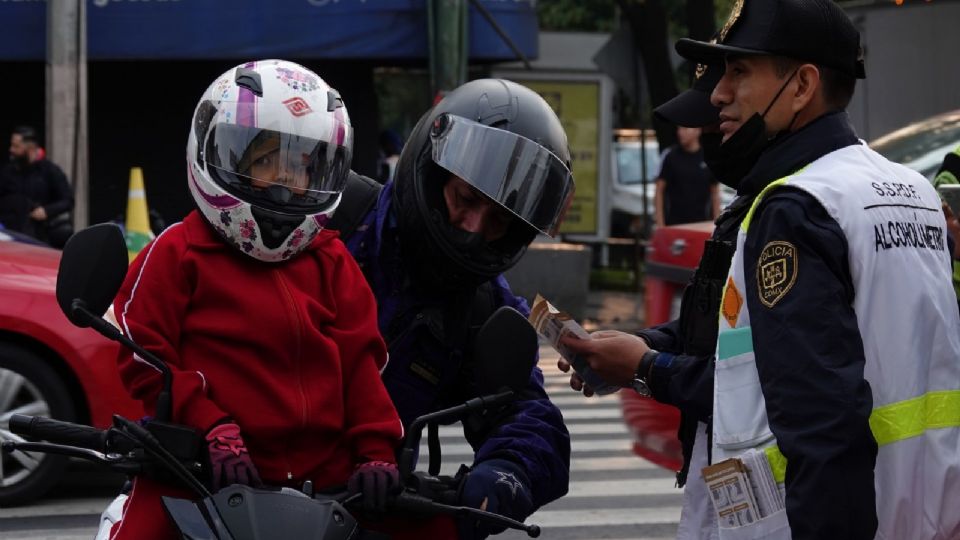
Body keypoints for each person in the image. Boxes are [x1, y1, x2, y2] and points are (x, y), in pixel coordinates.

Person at [561, 1, 960, 539]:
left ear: (801, 87)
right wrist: (645, 346)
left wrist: (647, 368)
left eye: (740, 71)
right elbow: (761, 339)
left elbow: (810, 415)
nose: (719, 94)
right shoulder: (911, 191)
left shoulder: (796, 207)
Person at [107, 60, 403, 539]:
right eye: (266, 162)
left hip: (323, 491)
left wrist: (376, 451)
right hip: (196, 476)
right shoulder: (180, 250)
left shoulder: (332, 261)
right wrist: (209, 424)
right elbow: (144, 352)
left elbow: (361, 366)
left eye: (300, 166)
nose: (286, 183)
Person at [335, 78, 574, 539]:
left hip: (362, 511)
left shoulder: (484, 307)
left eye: (500, 221)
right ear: (431, 170)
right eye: (466, 199)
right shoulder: (329, 222)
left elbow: (529, 415)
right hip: (235, 483)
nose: (473, 228)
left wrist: (507, 471)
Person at [0, 126, 74, 247]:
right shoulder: (7, 172)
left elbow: (67, 200)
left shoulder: (50, 171)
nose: (11, 150)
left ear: (30, 148)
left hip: (40, 235)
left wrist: (46, 211)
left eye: (16, 146)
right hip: (11, 233)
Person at [654, 125, 720, 228]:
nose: (680, 132)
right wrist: (660, 225)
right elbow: (659, 191)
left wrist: (716, 223)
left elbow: (715, 193)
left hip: (702, 224)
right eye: (678, 128)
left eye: (685, 128)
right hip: (674, 225)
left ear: (698, 130)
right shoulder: (670, 156)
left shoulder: (708, 157)